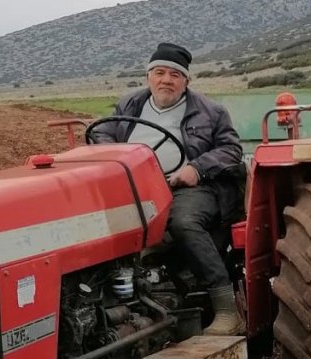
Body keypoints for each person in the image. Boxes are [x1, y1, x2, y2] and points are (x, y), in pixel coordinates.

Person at [89, 42, 246, 336]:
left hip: (192, 187)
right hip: (137, 189)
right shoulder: (131, 104)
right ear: (148, 77)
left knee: (182, 222)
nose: (166, 80)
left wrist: (196, 168)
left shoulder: (210, 111)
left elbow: (230, 149)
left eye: (174, 74)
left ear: (186, 81)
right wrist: (117, 158)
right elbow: (101, 132)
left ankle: (226, 309)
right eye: (159, 72)